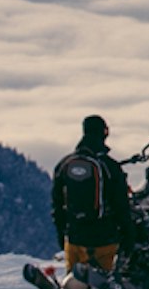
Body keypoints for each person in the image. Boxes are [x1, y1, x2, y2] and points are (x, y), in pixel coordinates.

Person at [50, 115, 135, 273]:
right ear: (104, 133)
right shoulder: (110, 167)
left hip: (74, 239)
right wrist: (128, 237)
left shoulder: (64, 165)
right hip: (103, 240)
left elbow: (57, 204)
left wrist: (62, 235)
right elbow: (121, 206)